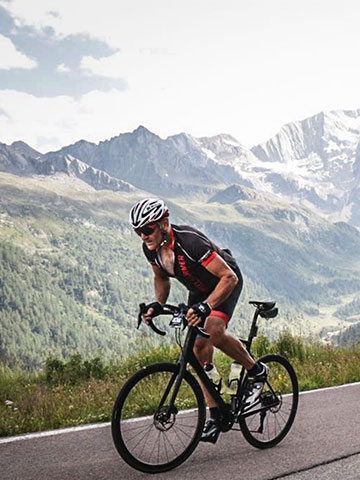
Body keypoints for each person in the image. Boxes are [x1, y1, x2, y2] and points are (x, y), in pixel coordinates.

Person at [129, 197, 268, 443]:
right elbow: (161, 278)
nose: (143, 236)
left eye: (147, 229)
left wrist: (206, 306)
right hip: (200, 289)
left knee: (212, 329)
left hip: (225, 281)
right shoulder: (151, 249)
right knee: (196, 348)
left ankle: (256, 371)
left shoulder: (190, 242)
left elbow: (228, 278)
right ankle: (216, 413)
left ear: (163, 223)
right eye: (138, 231)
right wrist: (158, 306)